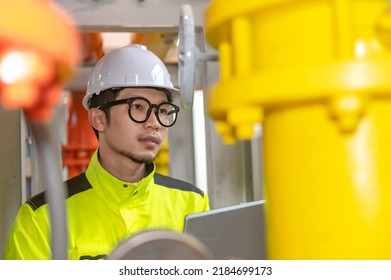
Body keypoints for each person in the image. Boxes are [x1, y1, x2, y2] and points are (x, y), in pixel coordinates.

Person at [4, 44, 210, 260]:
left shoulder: (193, 204)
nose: (154, 122)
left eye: (163, 110)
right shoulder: (41, 218)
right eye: (138, 106)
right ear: (99, 119)